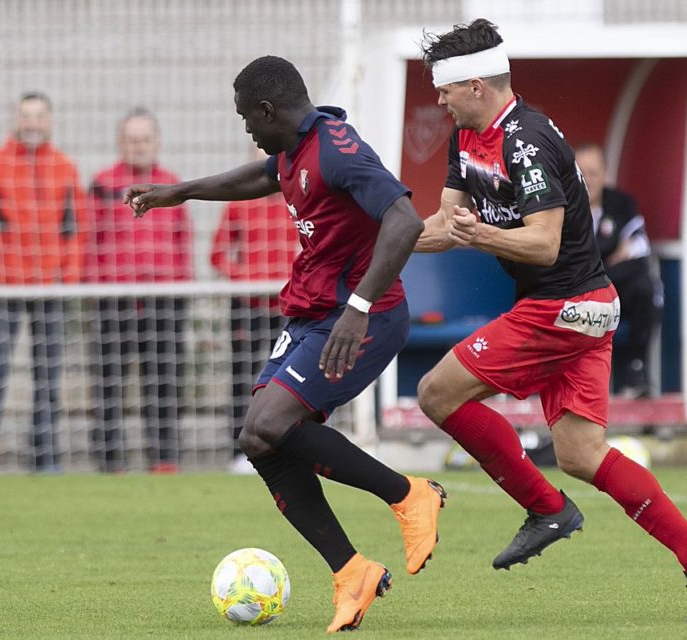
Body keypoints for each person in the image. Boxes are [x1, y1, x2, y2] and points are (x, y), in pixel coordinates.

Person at [414, 19, 687, 622]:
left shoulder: (527, 139)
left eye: (445, 89)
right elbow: (443, 224)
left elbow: (542, 244)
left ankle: (546, 509)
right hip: (579, 309)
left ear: (476, 86)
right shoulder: (467, 139)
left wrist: (480, 234)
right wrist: (384, 245)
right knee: (582, 454)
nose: (438, 99)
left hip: (563, 307)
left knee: (437, 392)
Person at [125, 55, 444, 633]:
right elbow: (262, 174)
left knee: (270, 425)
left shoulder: (339, 150)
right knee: (257, 437)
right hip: (314, 312)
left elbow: (404, 220)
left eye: (247, 118)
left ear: (269, 110)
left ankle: (409, 495)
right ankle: (352, 572)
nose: (246, 129)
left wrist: (359, 307)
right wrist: (184, 192)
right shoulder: (294, 150)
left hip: (363, 318)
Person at [0, 92, 88, 474]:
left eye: (39, 116)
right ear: (14, 120)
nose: (32, 122)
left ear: (49, 122)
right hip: (6, 291)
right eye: (25, 116)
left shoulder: (65, 168)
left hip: (49, 290)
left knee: (49, 382)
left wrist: (64, 279)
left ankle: (45, 464)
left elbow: (77, 229)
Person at [85, 107, 192, 474]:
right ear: (120, 143)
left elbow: (183, 243)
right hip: (114, 300)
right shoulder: (102, 184)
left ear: (157, 142)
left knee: (164, 382)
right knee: (109, 384)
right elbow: (90, 240)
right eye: (132, 139)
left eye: (145, 139)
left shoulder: (172, 185)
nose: (139, 146)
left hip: (163, 300)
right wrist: (96, 289)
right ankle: (110, 462)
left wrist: (180, 290)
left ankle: (164, 460)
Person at [209, 151, 299, 474]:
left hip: (286, 303)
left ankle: (284, 444)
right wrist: (247, 280)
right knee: (242, 376)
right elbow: (217, 255)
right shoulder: (239, 201)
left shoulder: (297, 197)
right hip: (247, 305)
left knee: (286, 378)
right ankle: (240, 448)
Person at [575, 143, 662, 398]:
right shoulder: (561, 206)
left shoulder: (622, 204)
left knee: (645, 287)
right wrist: (610, 258)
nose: (588, 180)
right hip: (573, 293)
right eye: (581, 173)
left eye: (594, 172)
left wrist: (595, 269)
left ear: (605, 174)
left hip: (613, 290)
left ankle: (638, 371)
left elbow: (638, 254)